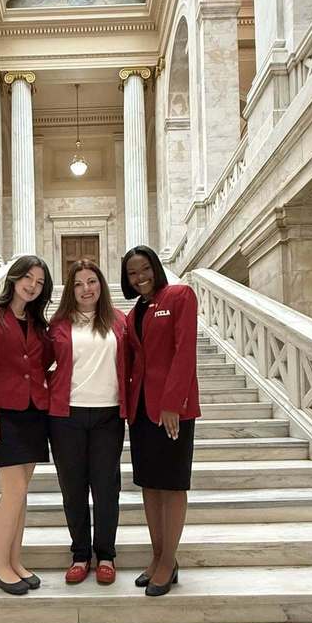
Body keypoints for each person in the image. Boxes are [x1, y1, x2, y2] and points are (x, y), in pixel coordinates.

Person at [0, 255, 53, 595]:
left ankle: (15, 561)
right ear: (15, 277)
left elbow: (43, 364)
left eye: (41, 283)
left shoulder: (36, 323)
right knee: (13, 491)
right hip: (2, 415)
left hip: (34, 413)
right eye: (29, 278)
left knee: (21, 495)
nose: (33, 286)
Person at [122, 245, 200, 597]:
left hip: (171, 410)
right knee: (150, 485)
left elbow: (185, 352)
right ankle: (157, 557)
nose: (139, 278)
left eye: (144, 270)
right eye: (132, 274)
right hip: (140, 410)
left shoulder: (180, 295)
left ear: (155, 266)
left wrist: (173, 404)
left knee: (172, 484)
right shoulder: (134, 310)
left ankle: (169, 561)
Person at [48, 260, 127, 586]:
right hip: (66, 417)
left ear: (101, 285)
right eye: (78, 284)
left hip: (108, 414)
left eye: (91, 281)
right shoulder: (58, 325)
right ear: (71, 289)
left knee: (107, 488)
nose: (86, 289)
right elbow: (40, 364)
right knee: (74, 489)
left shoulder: (119, 321)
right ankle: (80, 555)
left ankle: (105, 554)